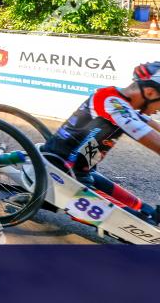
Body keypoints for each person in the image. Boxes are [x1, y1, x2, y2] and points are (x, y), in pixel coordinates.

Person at [40, 62, 160, 224]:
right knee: (143, 224)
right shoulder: (112, 102)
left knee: (145, 210)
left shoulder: (125, 104)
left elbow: (147, 124)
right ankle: (49, 199)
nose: (159, 110)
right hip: (66, 172)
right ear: (151, 92)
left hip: (82, 171)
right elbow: (140, 130)